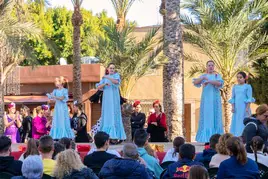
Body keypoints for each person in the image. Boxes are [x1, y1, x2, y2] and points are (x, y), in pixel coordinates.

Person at [193, 60, 224, 142]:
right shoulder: (204, 75)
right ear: (206, 67)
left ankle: (216, 138)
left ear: (214, 67)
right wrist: (203, 78)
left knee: (215, 117)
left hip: (215, 100)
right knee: (206, 118)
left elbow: (219, 84)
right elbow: (195, 82)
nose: (210, 67)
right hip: (206, 100)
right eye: (209, 65)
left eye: (212, 65)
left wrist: (209, 81)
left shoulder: (217, 75)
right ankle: (206, 139)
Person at [96, 63, 126, 142]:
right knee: (107, 116)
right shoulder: (104, 79)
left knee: (114, 115)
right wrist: (104, 84)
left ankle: (115, 137)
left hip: (114, 100)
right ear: (108, 69)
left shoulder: (116, 76)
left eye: (113, 68)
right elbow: (98, 87)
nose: (112, 69)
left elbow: (116, 82)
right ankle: (107, 137)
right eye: (110, 68)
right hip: (107, 101)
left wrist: (106, 76)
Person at [229, 72, 255, 136]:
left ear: (244, 78)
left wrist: (247, 108)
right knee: (237, 122)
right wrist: (233, 107)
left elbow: (249, 98)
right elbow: (233, 98)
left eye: (240, 77)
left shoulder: (247, 87)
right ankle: (236, 136)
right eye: (237, 77)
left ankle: (243, 136)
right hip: (237, 109)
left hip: (244, 108)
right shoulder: (235, 87)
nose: (239, 79)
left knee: (243, 121)